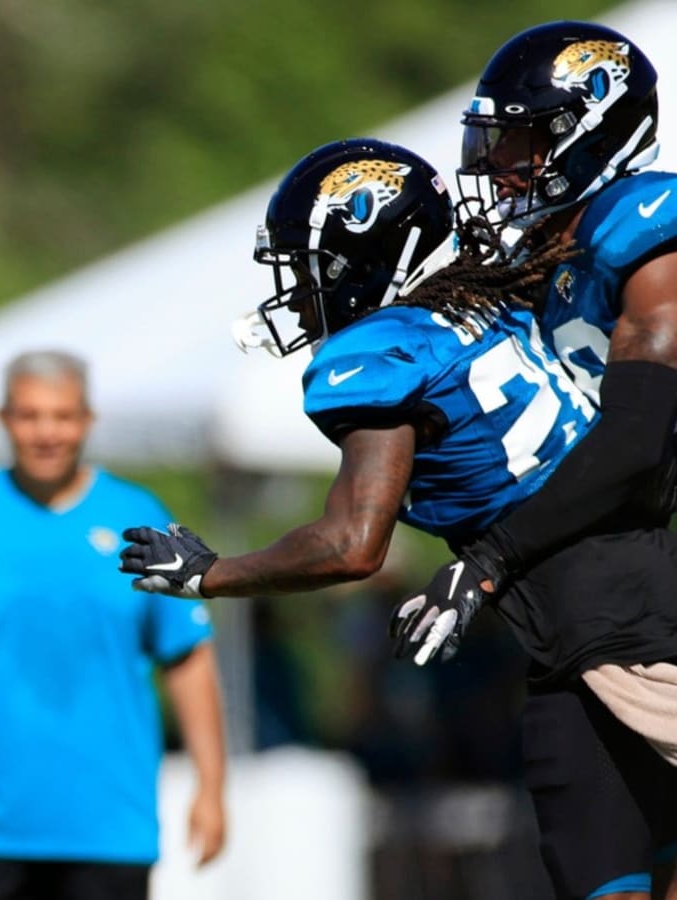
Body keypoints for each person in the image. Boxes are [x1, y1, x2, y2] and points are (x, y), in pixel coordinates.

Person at [119, 136, 677, 900]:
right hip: (577, 644)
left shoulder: (382, 352)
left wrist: (214, 575)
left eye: (310, 267)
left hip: (618, 631)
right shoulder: (491, 304)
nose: (301, 291)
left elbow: (352, 544)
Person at [387, 21, 677, 899]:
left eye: (521, 137)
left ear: (588, 128)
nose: (500, 163)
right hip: (577, 619)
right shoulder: (545, 250)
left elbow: (631, 440)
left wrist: (486, 562)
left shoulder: (650, 236)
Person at [0, 349, 226, 900]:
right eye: (30, 415)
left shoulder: (138, 519)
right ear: (5, 419)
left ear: (87, 420)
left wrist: (212, 787)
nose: (47, 432)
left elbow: (187, 658)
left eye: (63, 416)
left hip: (108, 829)